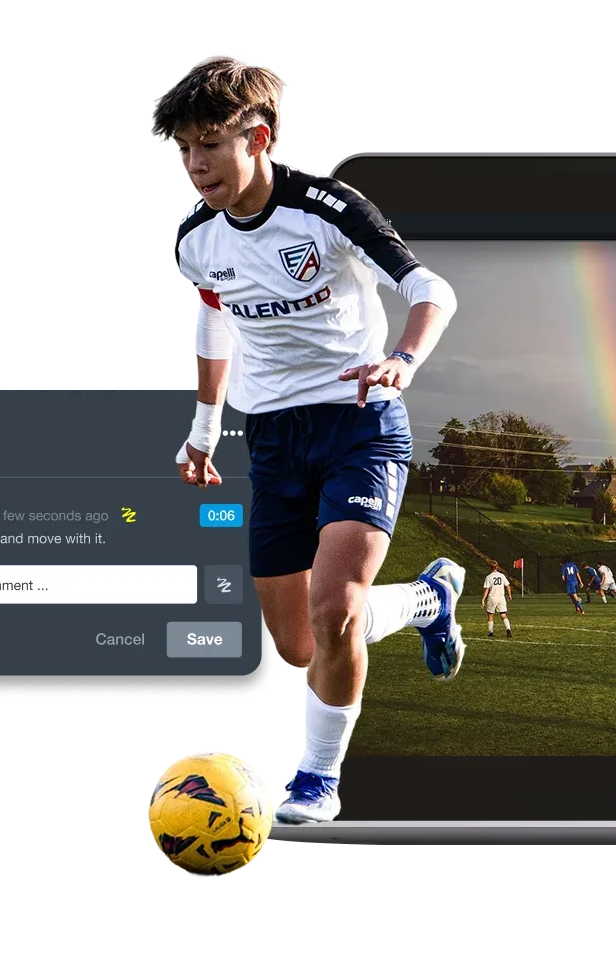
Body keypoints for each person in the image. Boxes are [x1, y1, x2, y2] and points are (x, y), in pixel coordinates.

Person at [155, 55, 464, 826]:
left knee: (335, 610)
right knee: (297, 645)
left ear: (259, 137)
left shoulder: (328, 207)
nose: (195, 165)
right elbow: (212, 316)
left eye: (209, 146)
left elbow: (431, 289)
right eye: (184, 149)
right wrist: (203, 430)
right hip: (270, 439)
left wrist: (402, 360)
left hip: (359, 425)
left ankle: (316, 781)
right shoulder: (196, 238)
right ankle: (431, 599)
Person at [482, 560, 512, 637]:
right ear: (497, 567)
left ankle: (490, 632)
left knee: (490, 615)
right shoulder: (502, 576)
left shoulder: (489, 577)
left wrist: (483, 599)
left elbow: (486, 589)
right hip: (501, 597)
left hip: (492, 597)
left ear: (490, 568)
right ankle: (508, 629)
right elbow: (507, 586)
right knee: (503, 614)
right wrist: (509, 594)